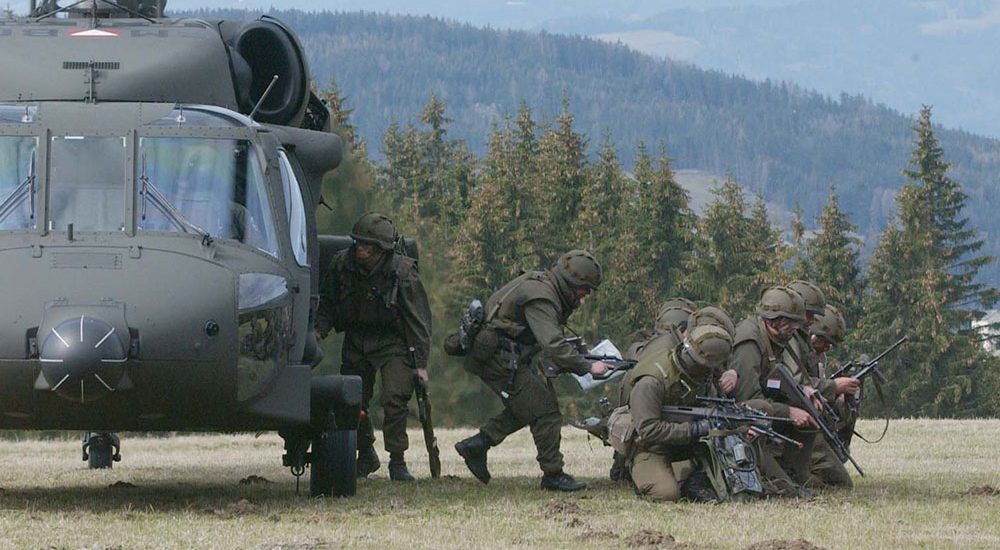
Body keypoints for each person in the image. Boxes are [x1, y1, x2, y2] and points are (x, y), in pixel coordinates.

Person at [454, 250, 613, 492]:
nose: (586, 295)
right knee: (546, 411)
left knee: (528, 405)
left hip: (506, 356)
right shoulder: (542, 297)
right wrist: (589, 366)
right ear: (572, 284)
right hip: (499, 359)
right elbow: (552, 343)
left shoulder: (543, 283)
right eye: (585, 289)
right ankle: (553, 474)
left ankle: (478, 444)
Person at [315, 213, 432, 481]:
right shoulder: (341, 265)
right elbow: (328, 304)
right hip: (357, 339)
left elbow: (419, 322)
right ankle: (365, 451)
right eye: (358, 243)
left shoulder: (402, 273)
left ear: (382, 250)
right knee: (351, 400)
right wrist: (318, 331)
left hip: (392, 342)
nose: (361, 249)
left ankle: (397, 461)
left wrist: (421, 365)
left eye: (368, 246)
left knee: (394, 398)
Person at [620, 324, 734, 501]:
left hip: (688, 446)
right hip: (650, 448)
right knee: (667, 494)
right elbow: (648, 429)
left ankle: (690, 478)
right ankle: (641, 473)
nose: (713, 371)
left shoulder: (701, 377)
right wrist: (694, 429)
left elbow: (710, 407)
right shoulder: (652, 380)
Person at [730, 286, 820, 497]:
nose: (796, 329)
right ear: (774, 320)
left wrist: (801, 391)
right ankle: (782, 481)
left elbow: (773, 381)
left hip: (762, 410)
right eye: (792, 323)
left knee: (807, 412)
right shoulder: (750, 342)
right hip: (744, 419)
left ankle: (794, 475)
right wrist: (788, 412)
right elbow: (748, 400)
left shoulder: (775, 339)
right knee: (786, 490)